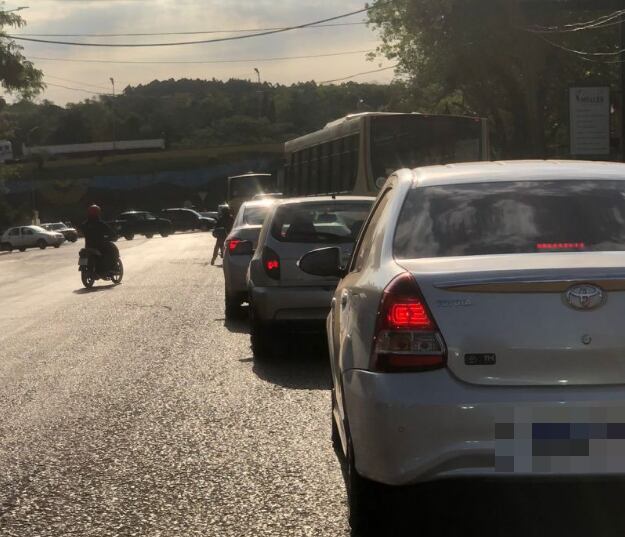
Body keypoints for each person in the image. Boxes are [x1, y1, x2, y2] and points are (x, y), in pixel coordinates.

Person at [80, 204, 119, 272]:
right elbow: (111, 232)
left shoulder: (85, 224)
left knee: (84, 252)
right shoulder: (101, 224)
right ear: (98, 213)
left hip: (89, 246)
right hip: (101, 246)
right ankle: (113, 267)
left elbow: (81, 232)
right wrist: (113, 236)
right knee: (113, 250)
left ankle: (84, 266)